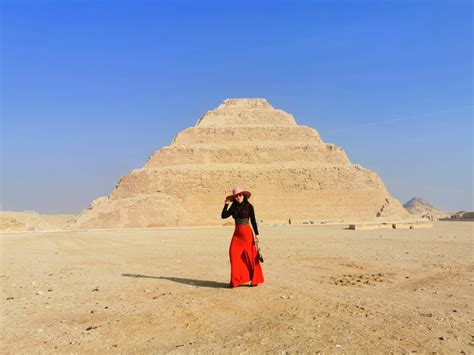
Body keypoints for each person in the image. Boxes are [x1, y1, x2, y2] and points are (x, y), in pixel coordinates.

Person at [221, 187, 264, 288]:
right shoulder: (233, 206)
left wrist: (257, 234)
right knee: (233, 254)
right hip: (237, 235)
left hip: (247, 234)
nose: (238, 197)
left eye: (240, 195)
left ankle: (255, 280)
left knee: (251, 256)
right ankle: (236, 281)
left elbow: (253, 220)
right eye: (236, 196)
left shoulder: (249, 206)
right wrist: (226, 204)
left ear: (243, 196)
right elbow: (223, 216)